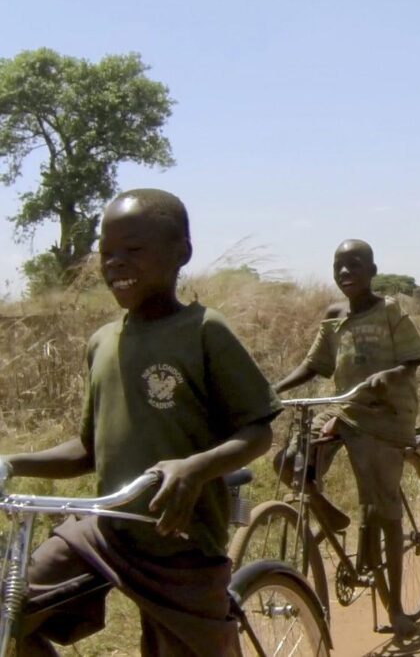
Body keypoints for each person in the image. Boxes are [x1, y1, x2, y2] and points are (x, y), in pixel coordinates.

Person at [1, 189, 282, 656]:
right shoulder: (101, 343)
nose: (115, 263)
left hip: (180, 544)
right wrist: (12, 461)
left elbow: (258, 431)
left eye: (133, 250)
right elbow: (87, 452)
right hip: (105, 530)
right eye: (106, 253)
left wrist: (195, 468)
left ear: (181, 253)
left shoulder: (203, 330)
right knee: (12, 612)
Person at [274, 238, 420, 639]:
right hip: (342, 408)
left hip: (383, 414)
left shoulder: (390, 311)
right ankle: (329, 512)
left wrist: (387, 376)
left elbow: (414, 360)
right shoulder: (334, 315)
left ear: (372, 271)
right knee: (287, 461)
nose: (345, 273)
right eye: (339, 266)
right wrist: (272, 389)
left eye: (355, 265)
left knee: (382, 509)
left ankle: (395, 608)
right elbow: (315, 364)